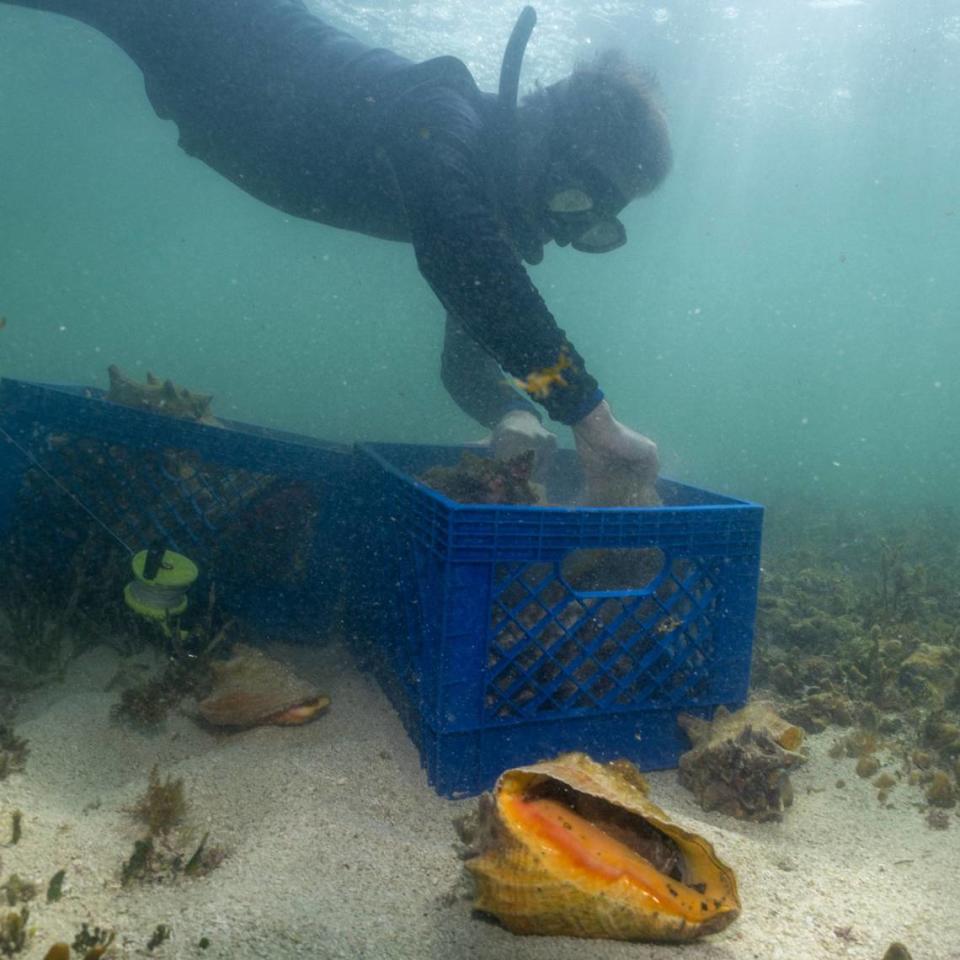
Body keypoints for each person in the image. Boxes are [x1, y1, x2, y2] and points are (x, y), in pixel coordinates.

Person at [3, 0, 672, 497]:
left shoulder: (474, 208)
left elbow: (466, 354)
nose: (565, 234)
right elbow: (457, 250)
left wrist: (516, 412)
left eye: (595, 231)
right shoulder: (445, 110)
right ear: (551, 143)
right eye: (577, 206)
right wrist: (591, 415)